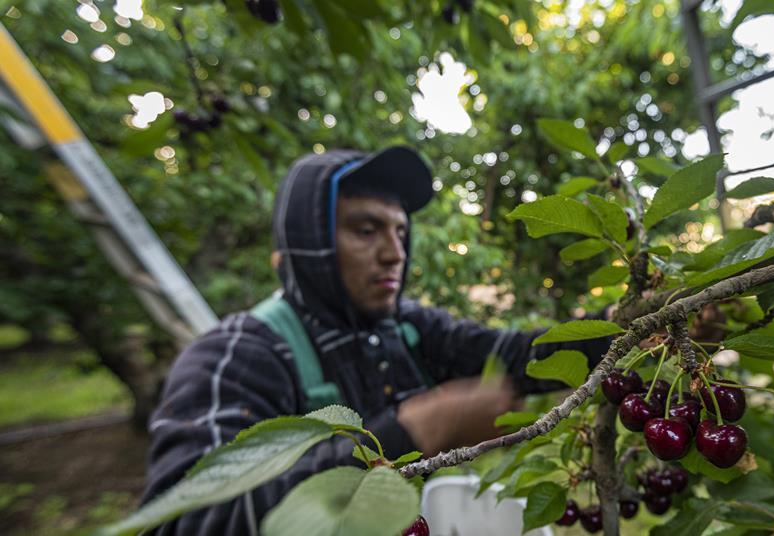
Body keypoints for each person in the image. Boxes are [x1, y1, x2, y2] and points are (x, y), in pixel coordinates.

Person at [141, 146, 613, 535]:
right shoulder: (236, 356)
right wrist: (416, 430)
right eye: (366, 230)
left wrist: (625, 319)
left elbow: (517, 356)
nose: (394, 254)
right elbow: (183, 519)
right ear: (310, 241)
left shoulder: (407, 328)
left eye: (400, 232)